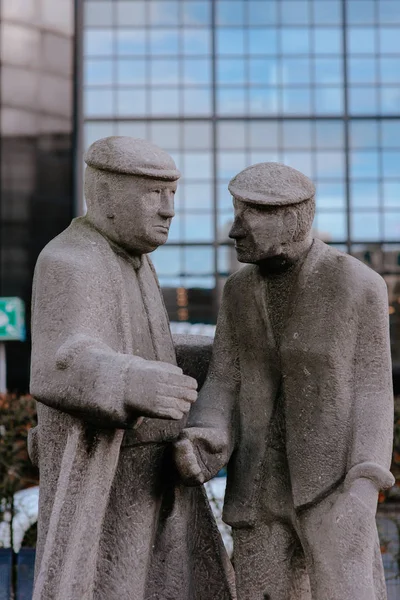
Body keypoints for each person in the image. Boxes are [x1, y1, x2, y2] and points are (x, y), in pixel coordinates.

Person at [175, 162, 395, 600]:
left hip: (334, 485)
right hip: (258, 487)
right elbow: (224, 378)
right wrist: (207, 433)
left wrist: (366, 481)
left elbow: (374, 389)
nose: (234, 231)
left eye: (246, 217)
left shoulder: (358, 285)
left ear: (290, 218)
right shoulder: (237, 290)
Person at [29, 137, 235, 600]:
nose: (169, 210)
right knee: (111, 584)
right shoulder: (71, 260)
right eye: (153, 193)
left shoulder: (135, 261)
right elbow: (58, 361)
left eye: (172, 194)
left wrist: (221, 354)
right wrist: (129, 380)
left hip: (158, 469)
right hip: (111, 473)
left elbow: (148, 345)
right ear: (105, 195)